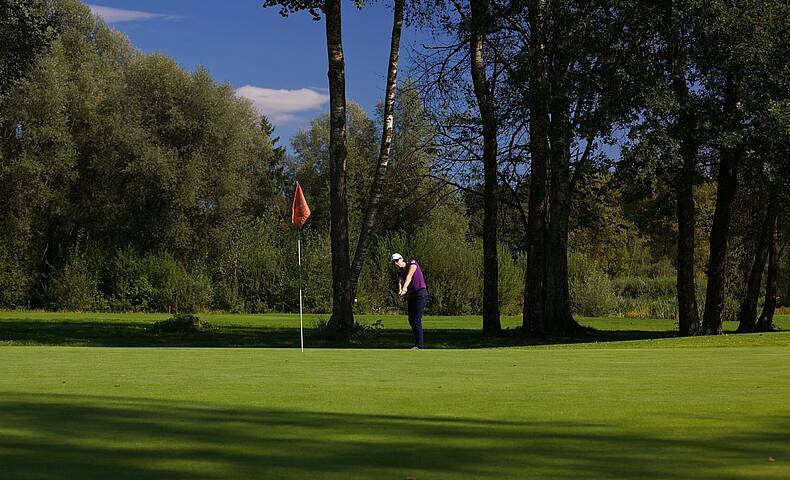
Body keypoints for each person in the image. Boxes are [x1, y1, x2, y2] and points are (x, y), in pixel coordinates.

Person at [391, 253, 428, 349]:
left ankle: (420, 345)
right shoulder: (400, 272)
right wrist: (400, 289)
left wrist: (405, 288)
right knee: (411, 320)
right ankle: (417, 344)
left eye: (397, 260)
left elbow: (409, 276)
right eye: (393, 262)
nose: (396, 263)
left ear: (401, 259)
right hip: (412, 295)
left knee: (416, 319)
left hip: (421, 293)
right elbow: (400, 281)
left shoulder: (412, 263)